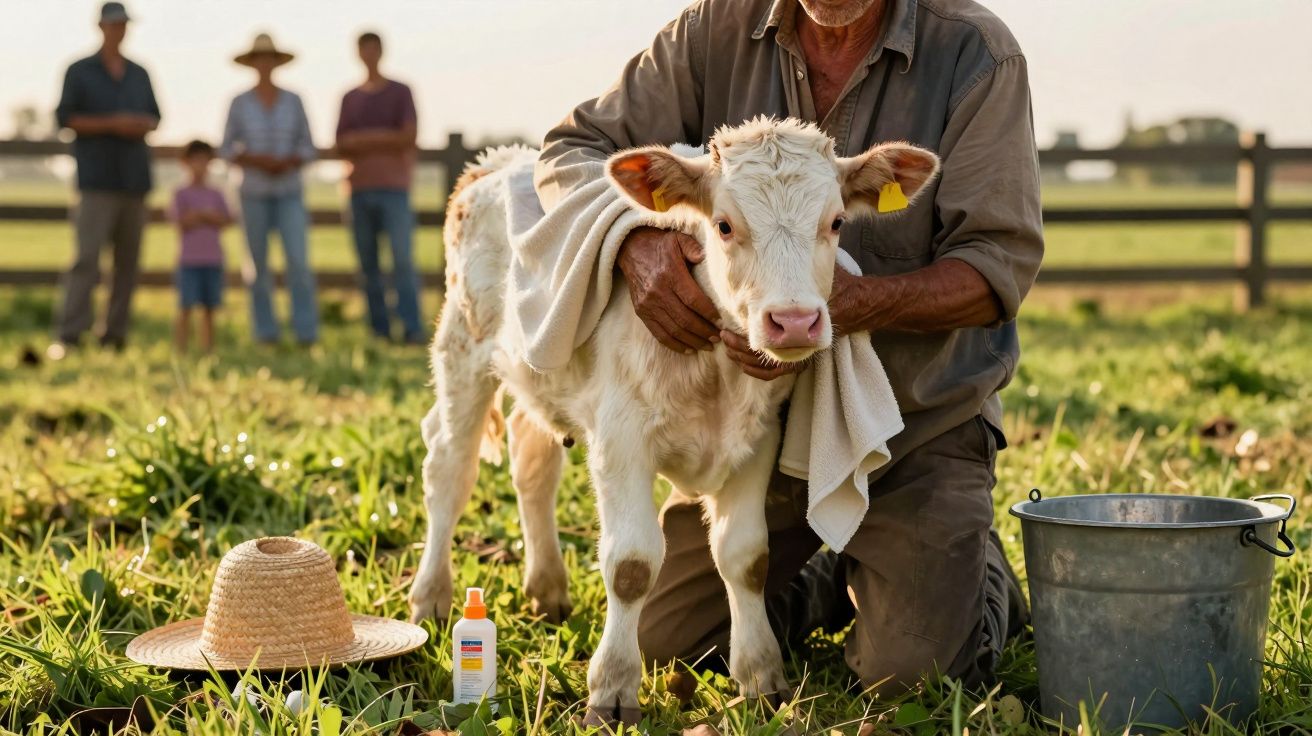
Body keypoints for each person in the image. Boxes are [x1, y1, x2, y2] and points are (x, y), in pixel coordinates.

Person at [535, 0, 1044, 703]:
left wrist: (853, 304)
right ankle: (838, 581)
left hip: (910, 429)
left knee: (910, 674)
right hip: (754, 428)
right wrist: (636, 241)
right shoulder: (711, 31)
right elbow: (569, 153)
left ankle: (971, 574)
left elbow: (996, 269)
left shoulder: (975, 54)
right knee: (667, 638)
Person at [50, 1, 160, 358]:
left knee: (127, 263)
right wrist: (113, 123)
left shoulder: (139, 73)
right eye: (114, 24)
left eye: (123, 24)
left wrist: (137, 125)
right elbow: (65, 118)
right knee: (86, 259)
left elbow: (155, 117)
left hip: (134, 180)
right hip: (96, 179)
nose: (119, 30)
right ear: (101, 27)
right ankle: (69, 335)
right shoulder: (79, 71)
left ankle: (114, 336)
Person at [220, 33, 318, 346]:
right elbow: (226, 149)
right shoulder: (239, 103)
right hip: (253, 192)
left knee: (298, 261)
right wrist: (255, 160)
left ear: (276, 63)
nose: (264, 64)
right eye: (259, 58)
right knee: (257, 264)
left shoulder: (294, 101)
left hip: (289, 190)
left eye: (269, 58)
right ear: (252, 64)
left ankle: (306, 332)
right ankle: (265, 332)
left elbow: (308, 146)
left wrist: (288, 161)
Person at [335, 32, 423, 344]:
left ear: (381, 51)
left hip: (394, 188)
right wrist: (386, 138)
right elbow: (342, 143)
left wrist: (364, 140)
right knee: (368, 264)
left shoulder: (401, 91)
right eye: (364, 49)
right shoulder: (349, 97)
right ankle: (379, 330)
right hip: (358, 190)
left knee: (402, 259)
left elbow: (408, 136)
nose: (369, 54)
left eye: (373, 48)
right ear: (358, 53)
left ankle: (412, 328)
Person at [170, 140, 231, 354]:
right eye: (195, 160)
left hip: (213, 259)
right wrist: (205, 216)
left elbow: (226, 219)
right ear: (185, 163)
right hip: (188, 260)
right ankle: (181, 349)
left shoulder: (216, 193)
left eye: (204, 160)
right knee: (185, 306)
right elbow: (180, 221)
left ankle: (208, 349)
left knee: (209, 308)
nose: (200, 165)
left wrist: (200, 216)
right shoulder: (180, 193)